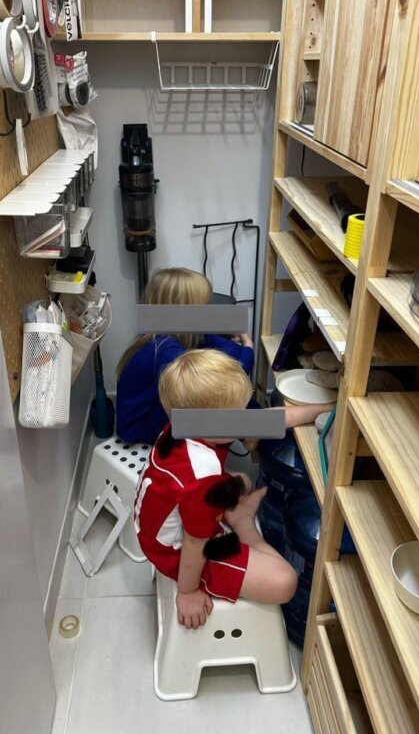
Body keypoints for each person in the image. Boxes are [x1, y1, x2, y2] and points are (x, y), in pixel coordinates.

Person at [134, 349, 334, 629]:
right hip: (175, 552)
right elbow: (194, 544)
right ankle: (243, 524)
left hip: (162, 520)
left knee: (243, 481)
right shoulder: (201, 478)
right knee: (285, 581)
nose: (244, 419)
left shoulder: (187, 424)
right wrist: (188, 592)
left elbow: (270, 420)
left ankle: (236, 517)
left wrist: (324, 409)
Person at [116, 267, 254, 445]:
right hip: (139, 428)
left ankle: (251, 433)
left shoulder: (178, 331)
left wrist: (240, 351)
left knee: (240, 403)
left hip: (155, 408)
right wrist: (248, 346)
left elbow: (231, 351)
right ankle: (252, 434)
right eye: (203, 307)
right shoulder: (165, 352)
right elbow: (231, 380)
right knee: (218, 401)